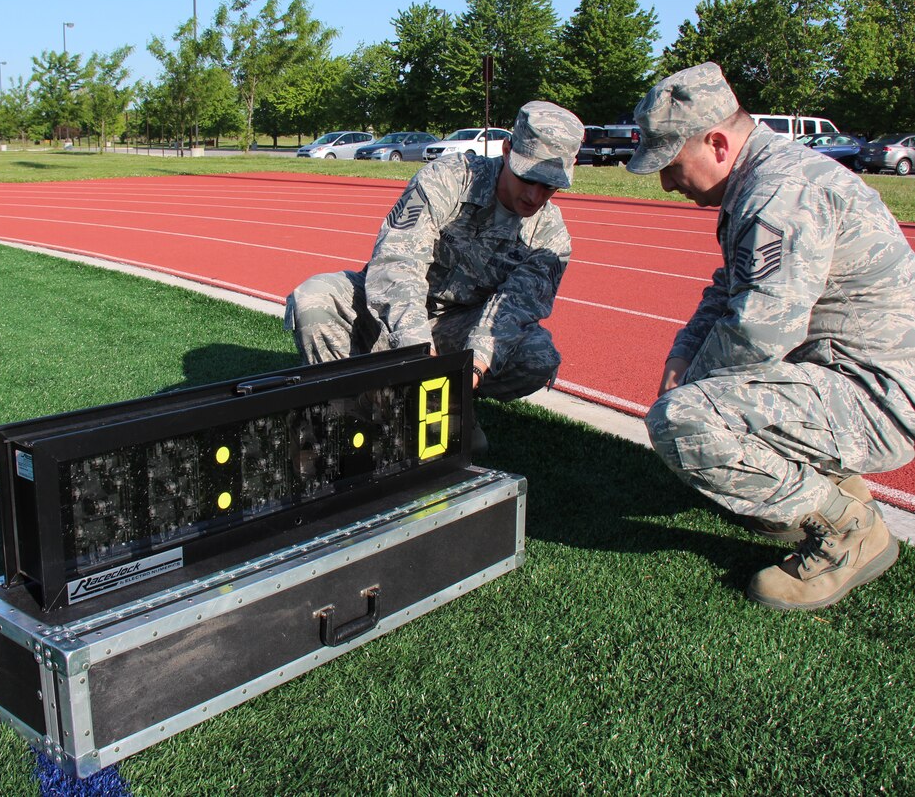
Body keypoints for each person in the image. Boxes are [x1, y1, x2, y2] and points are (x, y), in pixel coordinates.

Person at [626, 62, 915, 610]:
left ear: (715, 142)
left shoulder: (782, 192)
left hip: (878, 397)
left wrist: (692, 394)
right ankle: (826, 484)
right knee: (699, 394)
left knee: (683, 420)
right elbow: (729, 288)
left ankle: (849, 530)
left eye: (671, 163)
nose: (665, 182)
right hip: (842, 375)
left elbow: (760, 328)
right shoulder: (763, 178)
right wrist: (685, 353)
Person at [285, 101, 585, 451]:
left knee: (537, 355)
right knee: (314, 299)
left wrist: (472, 368)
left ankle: (448, 404)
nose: (535, 196)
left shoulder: (551, 238)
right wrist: (415, 345)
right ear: (507, 151)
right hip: (391, 312)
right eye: (527, 177)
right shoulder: (449, 178)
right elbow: (397, 261)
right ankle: (351, 412)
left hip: (456, 327)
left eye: (549, 186)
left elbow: (511, 312)